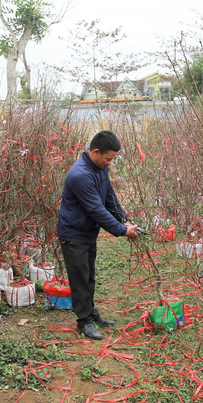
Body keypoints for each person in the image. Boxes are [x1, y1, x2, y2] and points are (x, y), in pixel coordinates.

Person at [57, 130, 139, 340]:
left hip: (87, 232)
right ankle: (84, 321)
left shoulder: (99, 168)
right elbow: (96, 209)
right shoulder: (80, 175)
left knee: (89, 276)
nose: (110, 163)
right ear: (95, 152)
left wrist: (123, 219)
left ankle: (90, 312)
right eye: (108, 158)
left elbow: (109, 196)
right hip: (73, 234)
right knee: (80, 279)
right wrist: (122, 231)